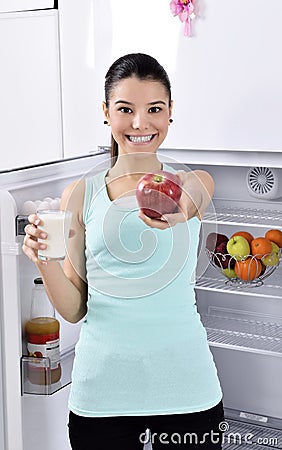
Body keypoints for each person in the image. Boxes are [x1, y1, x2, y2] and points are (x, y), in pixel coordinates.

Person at [23, 53, 224, 449]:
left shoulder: (193, 180)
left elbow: (196, 194)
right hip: (102, 399)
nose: (139, 123)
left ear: (170, 113)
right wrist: (45, 259)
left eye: (154, 109)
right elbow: (76, 309)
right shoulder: (80, 195)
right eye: (125, 109)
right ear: (105, 112)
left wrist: (179, 207)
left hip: (187, 390)